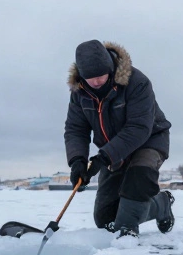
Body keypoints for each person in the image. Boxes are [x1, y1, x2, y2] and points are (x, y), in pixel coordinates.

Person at [64, 40, 176, 237]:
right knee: (105, 219)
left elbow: (139, 128)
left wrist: (103, 158)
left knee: (135, 188)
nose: (97, 82)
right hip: (113, 150)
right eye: (91, 78)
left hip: (149, 140)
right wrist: (77, 161)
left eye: (101, 75)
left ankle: (129, 230)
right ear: (81, 76)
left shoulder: (136, 82)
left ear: (110, 68)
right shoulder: (79, 93)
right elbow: (76, 129)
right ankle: (161, 204)